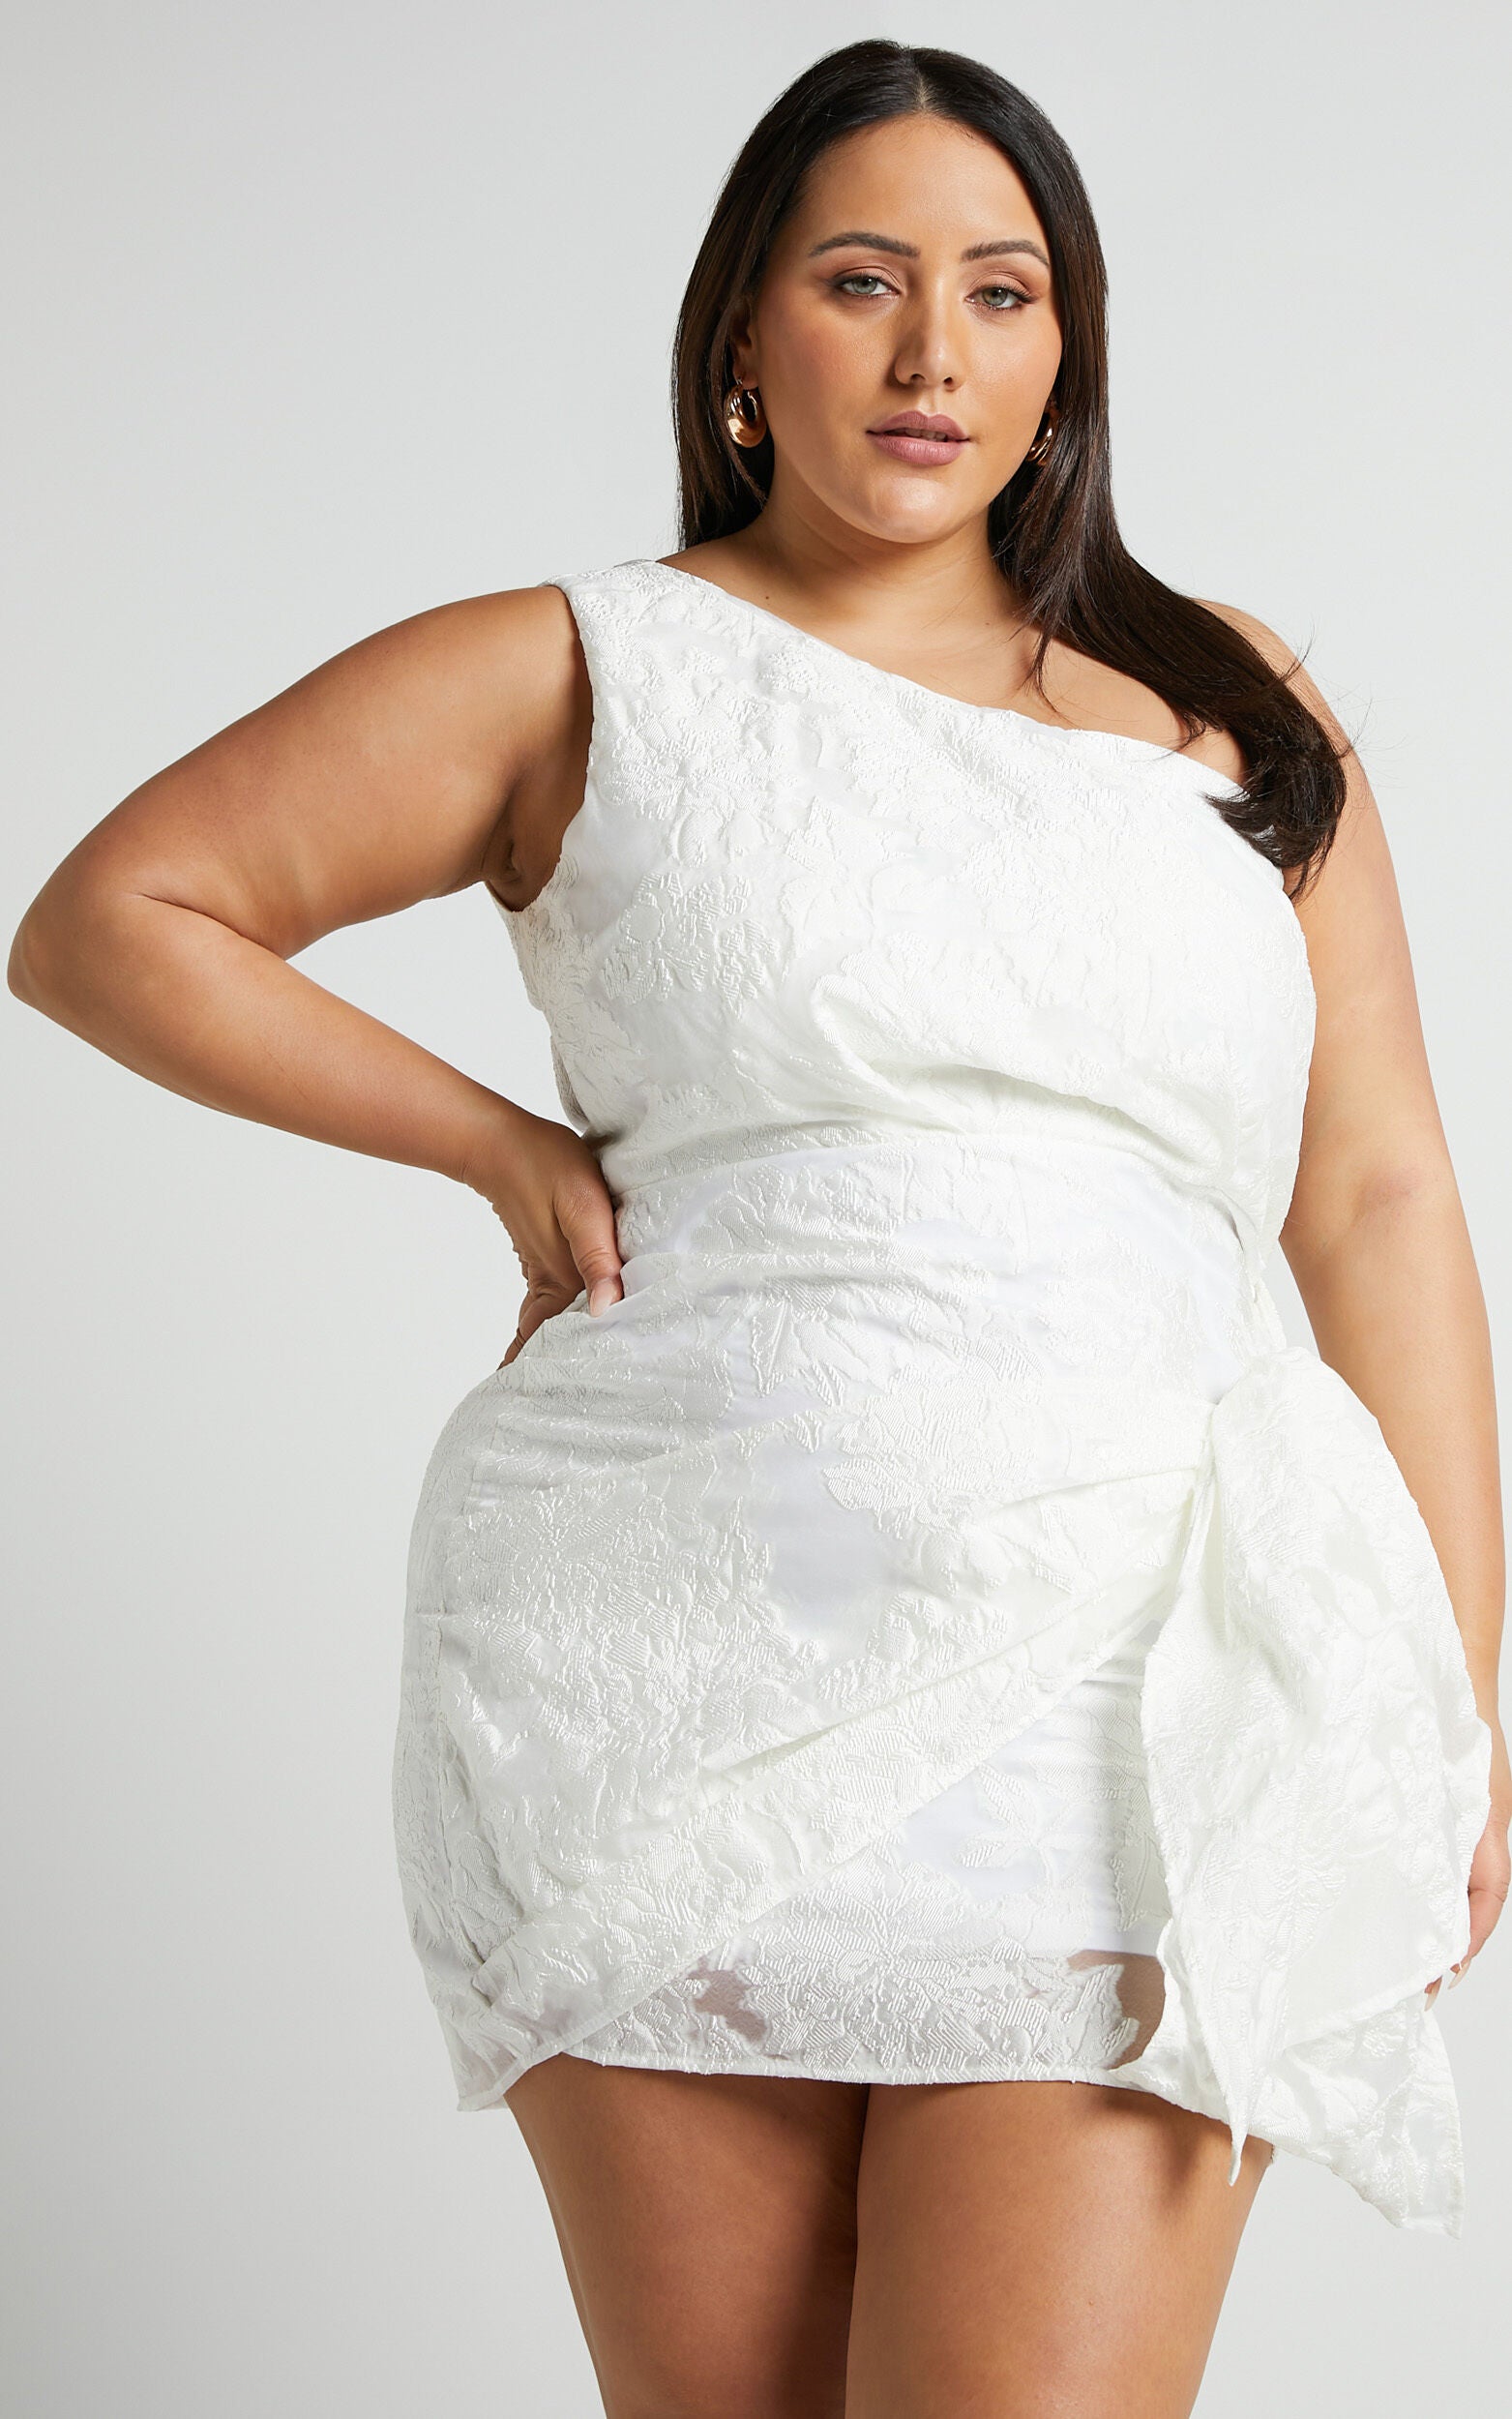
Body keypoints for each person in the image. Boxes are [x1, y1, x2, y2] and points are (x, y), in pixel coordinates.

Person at [9, 35, 1507, 2418]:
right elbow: (114, 916)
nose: (933, 355)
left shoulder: (1228, 709)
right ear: (741, 330)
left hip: (1134, 1686)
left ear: (1065, 348)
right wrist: (500, 1146)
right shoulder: (592, 666)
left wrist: (1450, 1697)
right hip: (663, 1672)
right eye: (859, 279)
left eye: (1000, 292)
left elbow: (1380, 1190)